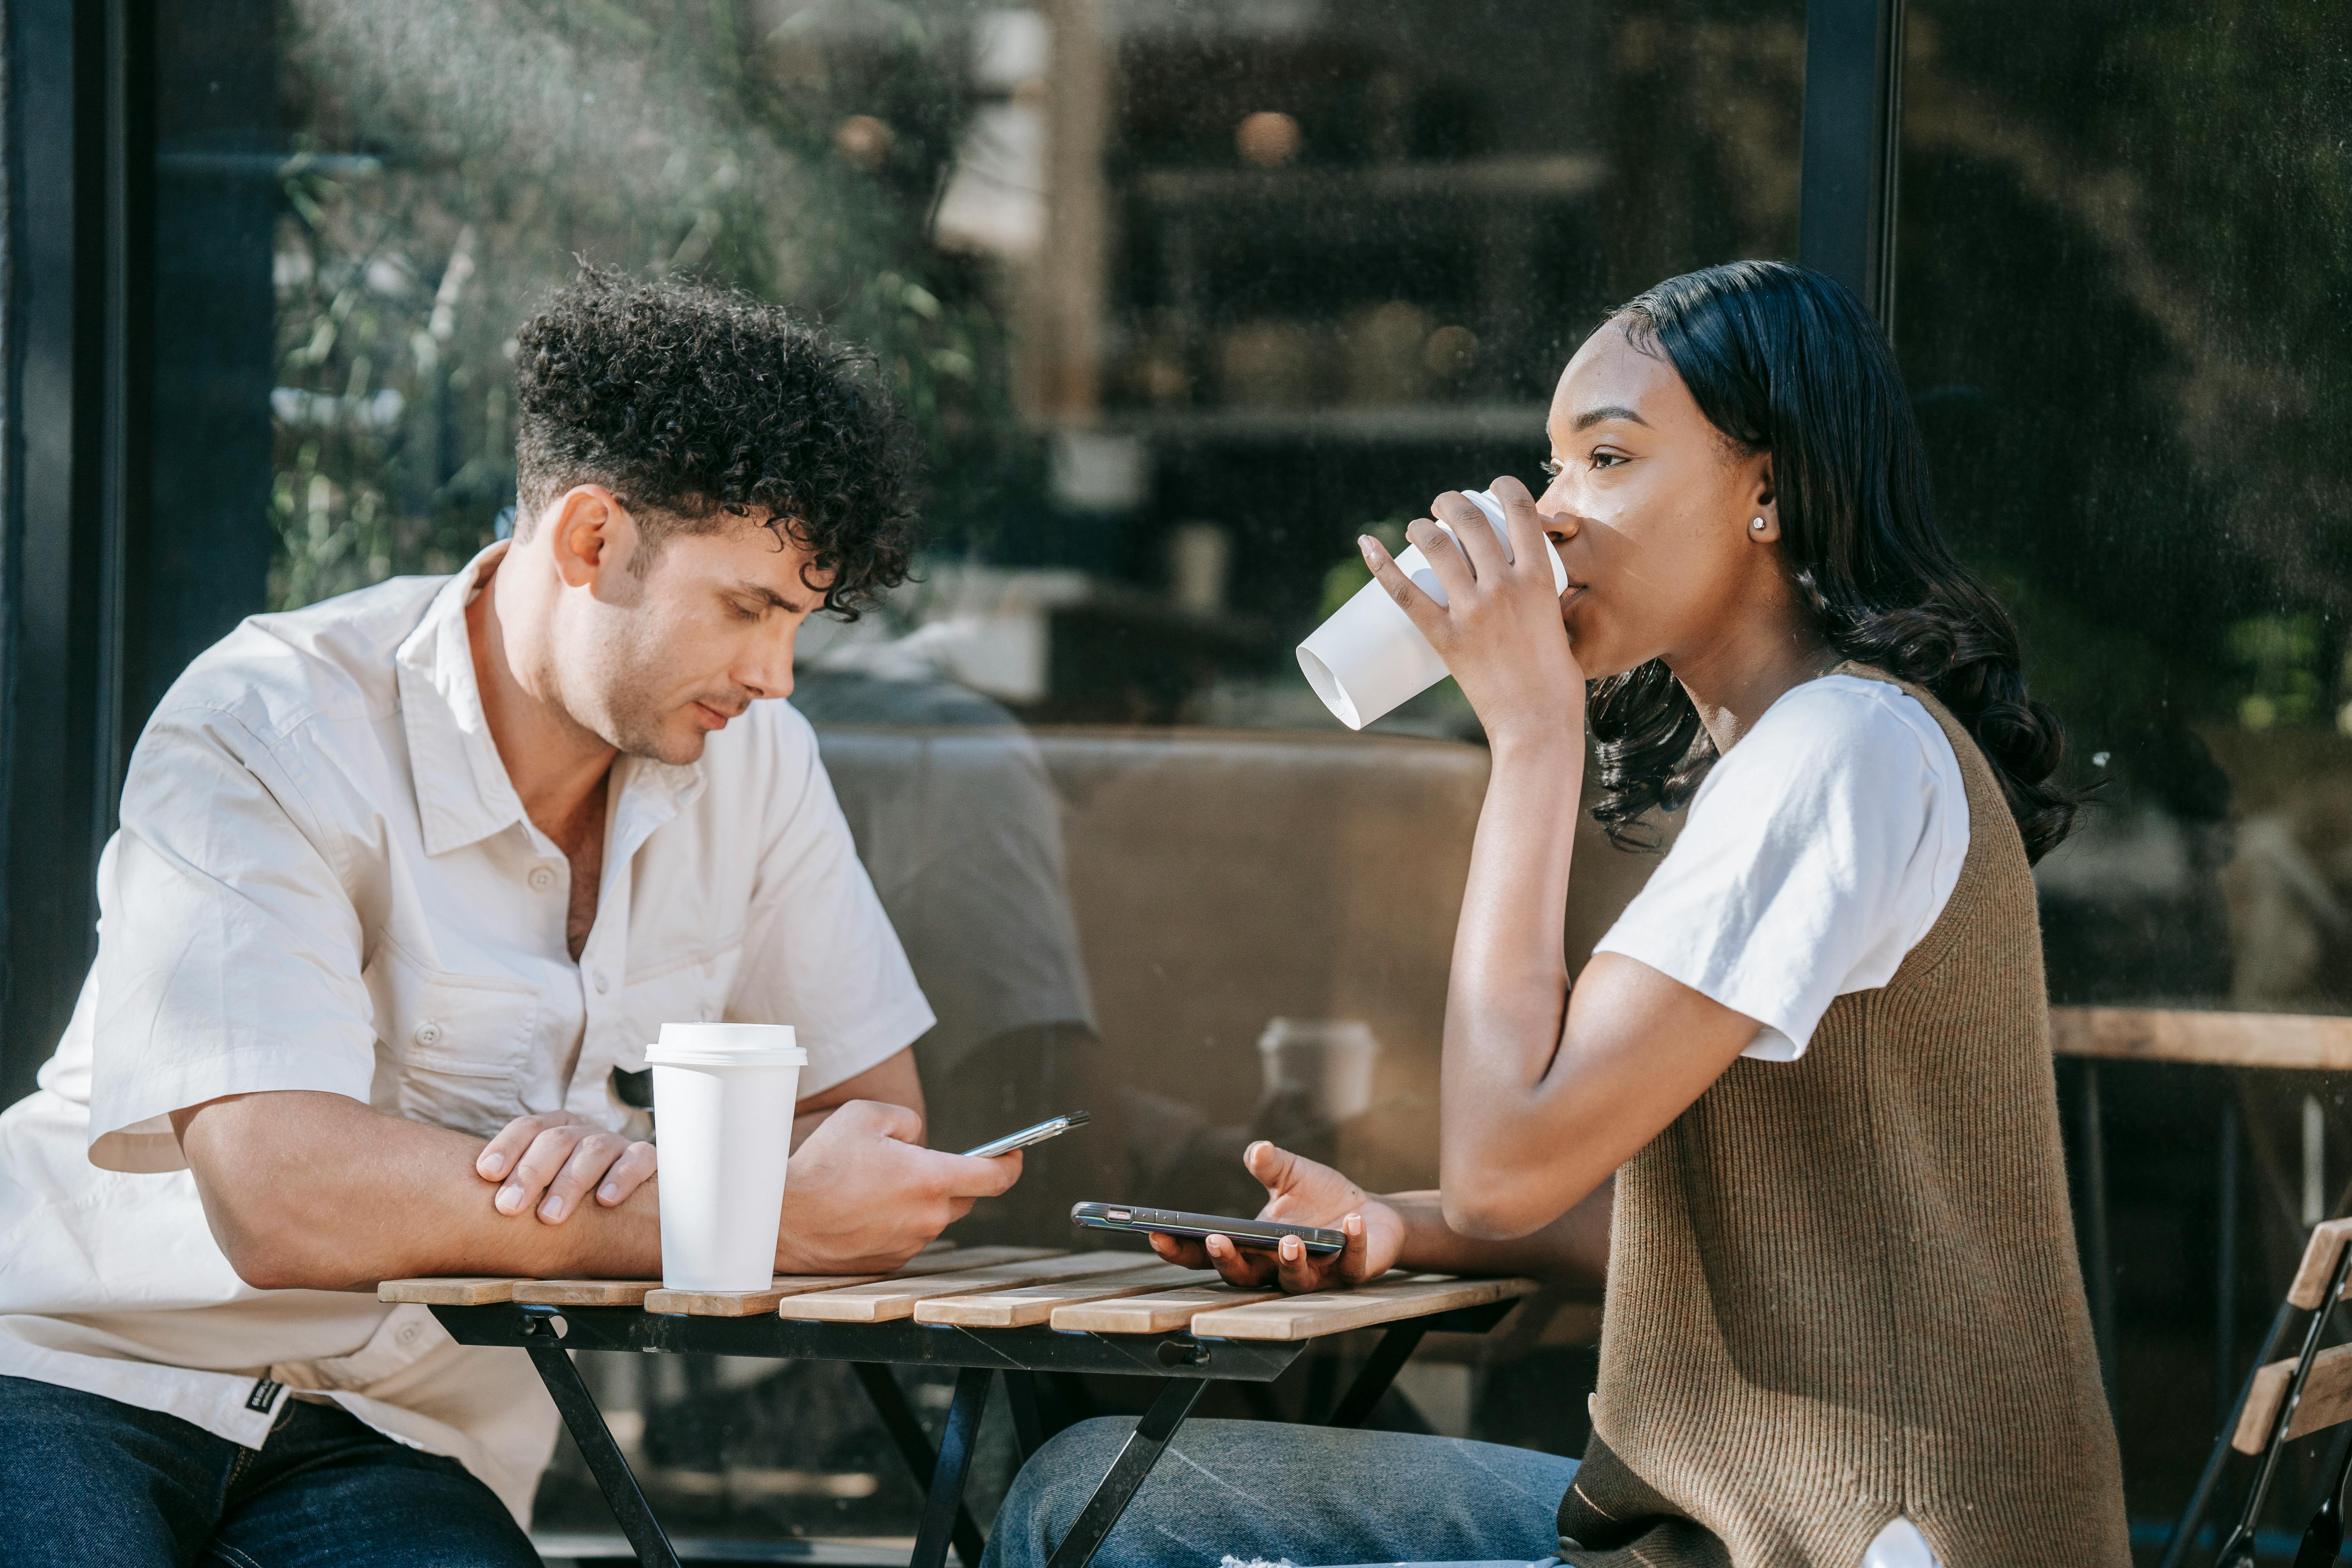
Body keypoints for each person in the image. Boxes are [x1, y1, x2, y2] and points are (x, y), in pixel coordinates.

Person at [986, 261, 2129, 1568]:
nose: (1557, 518)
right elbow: (1690, 1213)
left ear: (1769, 487)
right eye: (1555, 466)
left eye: (1609, 458)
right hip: (1743, 1519)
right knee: (1115, 1492)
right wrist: (1398, 1228)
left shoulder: (1842, 751)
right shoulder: (1814, 751)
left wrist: (1533, 737)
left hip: (1853, 1536)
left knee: (1099, 1506)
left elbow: (1508, 1158)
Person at [0, 272, 1023, 1567]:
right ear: (591, 538)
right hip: (81, 1371)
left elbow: (870, 1134)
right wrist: (722, 1212)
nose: (776, 677)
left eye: (800, 626)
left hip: (402, 1437)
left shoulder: (761, 766)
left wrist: (683, 1180)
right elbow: (278, 1199)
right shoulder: (268, 719)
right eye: (749, 609)